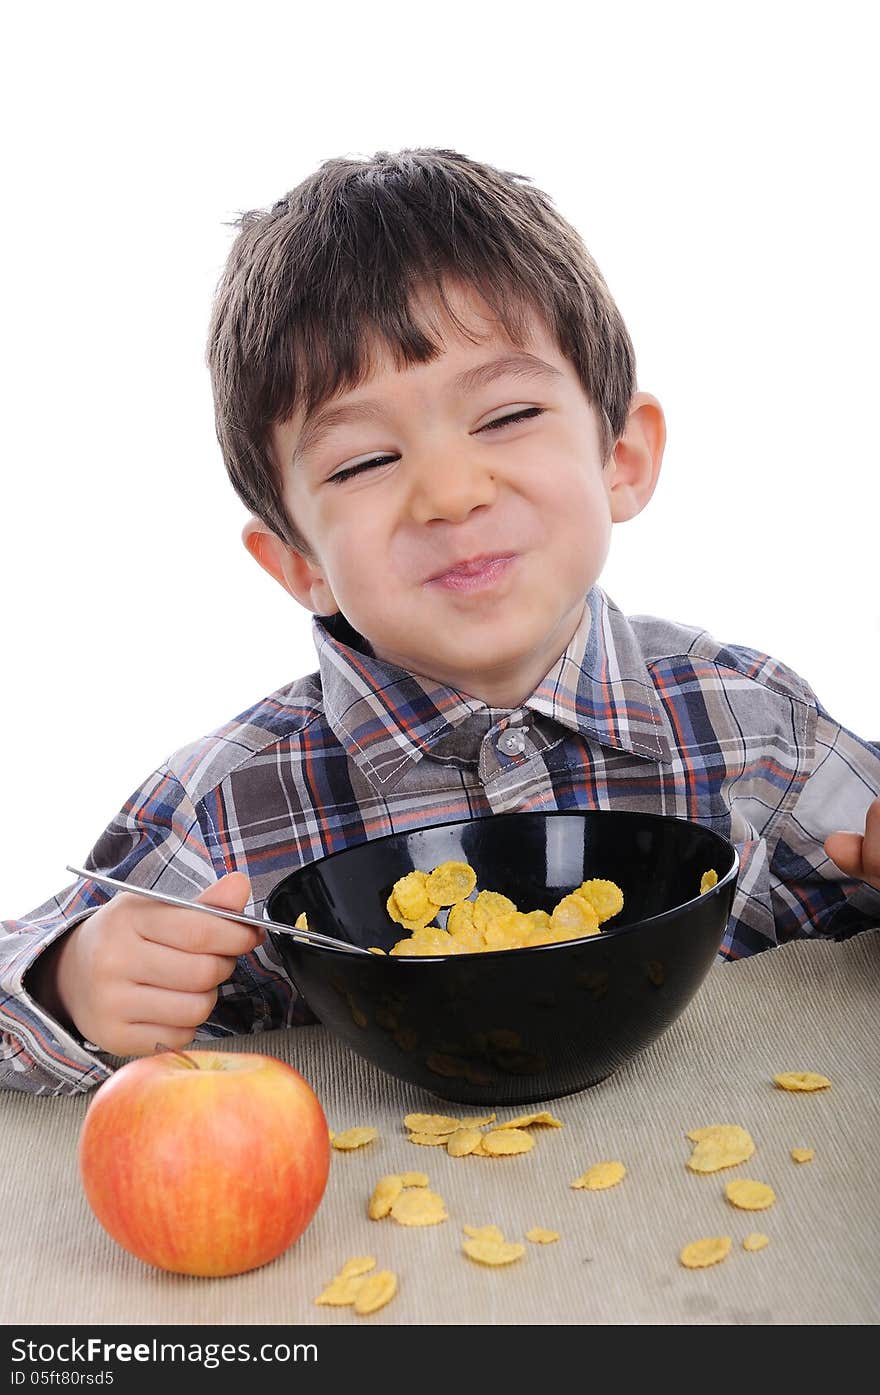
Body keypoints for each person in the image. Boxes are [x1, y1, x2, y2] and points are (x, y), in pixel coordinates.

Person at [2, 148, 878, 1097]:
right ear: (299, 562)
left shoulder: (752, 724)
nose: (452, 493)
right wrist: (70, 983)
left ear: (620, 456)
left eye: (504, 415)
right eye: (363, 462)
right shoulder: (230, 811)